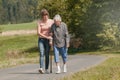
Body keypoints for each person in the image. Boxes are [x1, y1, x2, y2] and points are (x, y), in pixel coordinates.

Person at [37, 9, 54, 74]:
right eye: (44, 15)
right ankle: (41, 68)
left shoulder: (51, 21)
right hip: (41, 40)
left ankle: (46, 68)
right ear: (42, 16)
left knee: (47, 54)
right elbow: (38, 33)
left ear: (48, 15)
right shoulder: (39, 22)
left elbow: (53, 29)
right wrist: (46, 36)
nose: (45, 17)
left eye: (46, 15)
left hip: (48, 40)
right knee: (41, 53)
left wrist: (51, 35)